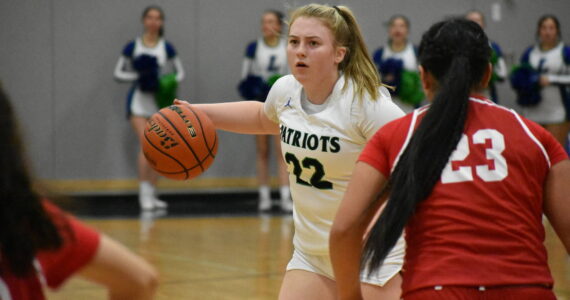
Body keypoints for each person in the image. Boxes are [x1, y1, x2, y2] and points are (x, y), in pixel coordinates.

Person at [175, 4, 405, 299]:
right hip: (312, 253)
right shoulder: (285, 91)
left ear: (339, 53)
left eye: (313, 43)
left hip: (370, 255)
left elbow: (415, 160)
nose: (300, 51)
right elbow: (262, 118)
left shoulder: (366, 103)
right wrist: (197, 113)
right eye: (294, 42)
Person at [330, 18, 570, 300]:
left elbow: (344, 229)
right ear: (487, 74)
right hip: (527, 290)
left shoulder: (398, 135)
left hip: (436, 291)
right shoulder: (537, 139)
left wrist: (350, 297)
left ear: (424, 76)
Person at [0, 84, 158, 299]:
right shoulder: (25, 217)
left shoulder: (24, 217)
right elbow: (142, 280)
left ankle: (149, 195)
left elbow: (142, 279)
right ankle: (146, 195)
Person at [114, 5, 185, 210]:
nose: (154, 21)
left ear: (161, 22)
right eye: (150, 17)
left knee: (159, 148)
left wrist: (165, 82)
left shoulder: (166, 47)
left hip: (158, 102)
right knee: (147, 145)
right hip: (138, 102)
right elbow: (118, 73)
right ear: (144, 21)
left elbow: (180, 73)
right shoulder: (133, 46)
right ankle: (143, 194)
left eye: (157, 18)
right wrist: (140, 77)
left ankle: (152, 193)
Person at [238, 10, 292, 212]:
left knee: (282, 152)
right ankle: (264, 196)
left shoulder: (286, 47)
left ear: (279, 25)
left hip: (281, 106)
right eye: (263, 22)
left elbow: (291, 76)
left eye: (270, 21)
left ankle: (285, 197)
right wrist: (255, 88)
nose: (266, 25)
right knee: (262, 151)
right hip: (260, 104)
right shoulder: (254, 48)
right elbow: (245, 77)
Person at [518, 15, 570, 148]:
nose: (547, 32)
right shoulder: (530, 53)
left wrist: (552, 79)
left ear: (557, 31)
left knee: (556, 152)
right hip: (532, 110)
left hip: (557, 111)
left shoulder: (565, 52)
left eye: (551, 28)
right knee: (534, 152)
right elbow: (520, 75)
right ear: (538, 31)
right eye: (544, 28)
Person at [372, 15, 424, 113]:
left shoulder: (416, 52)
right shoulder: (379, 53)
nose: (397, 29)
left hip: (410, 106)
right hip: (386, 106)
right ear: (389, 30)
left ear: (407, 31)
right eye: (394, 26)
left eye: (401, 26)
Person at [465, 10, 508, 103]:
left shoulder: (493, 48)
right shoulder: (457, 47)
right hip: (463, 94)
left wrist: (488, 75)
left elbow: (502, 74)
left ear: (483, 24)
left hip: (487, 94)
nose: (474, 24)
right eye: (471, 21)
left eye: (477, 20)